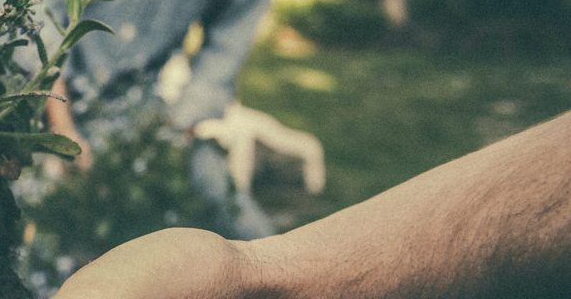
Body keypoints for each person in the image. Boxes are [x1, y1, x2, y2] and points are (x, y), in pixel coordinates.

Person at [54, 111, 571, 298]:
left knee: (227, 201)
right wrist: (254, 270)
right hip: (85, 117)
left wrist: (249, 270)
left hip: (176, 119)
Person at [44, 0, 287, 239]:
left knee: (244, 225)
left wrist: (165, 138)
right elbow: (35, 1)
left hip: (139, 111)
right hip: (35, 95)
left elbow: (225, 50)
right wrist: (62, 130)